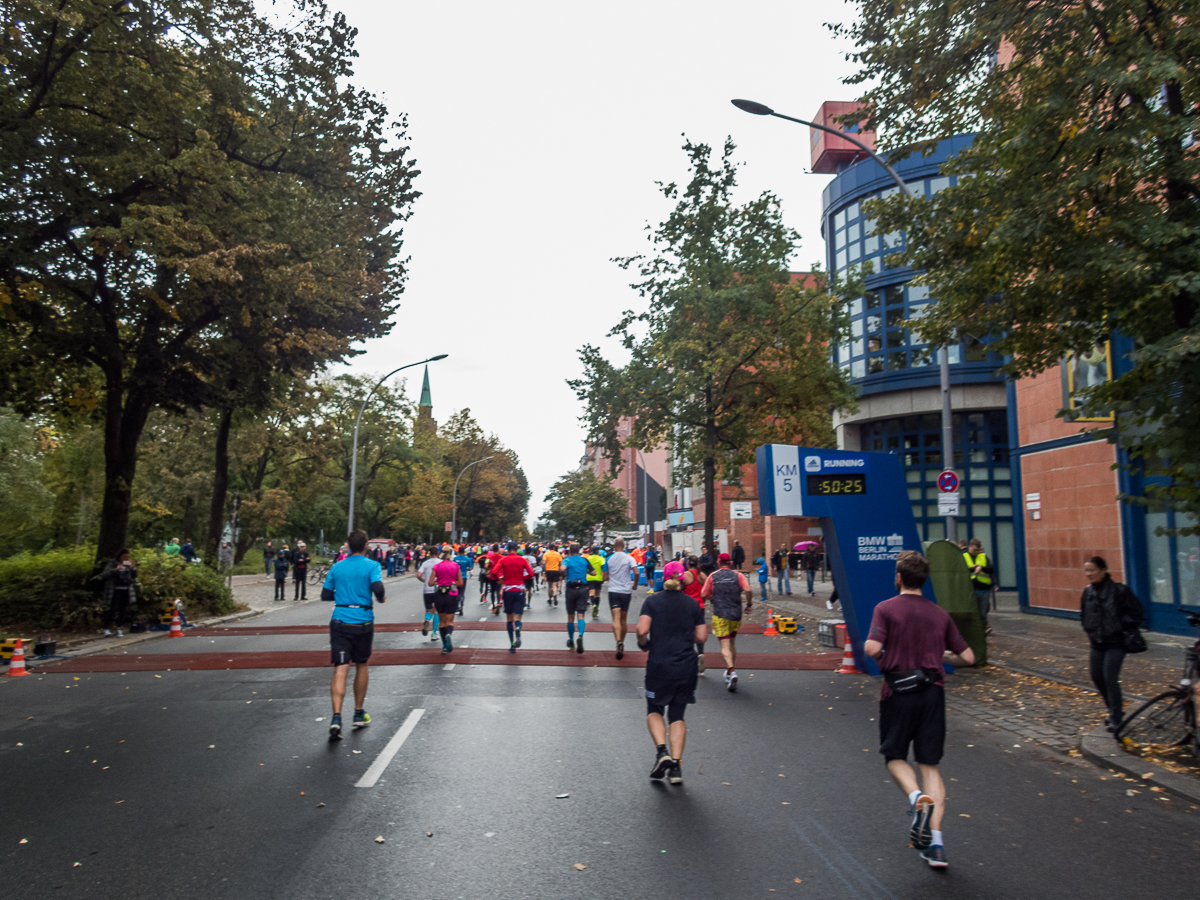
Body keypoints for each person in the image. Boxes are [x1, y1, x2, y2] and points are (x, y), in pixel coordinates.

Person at [864, 550, 975, 869]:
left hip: (898, 692)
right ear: (924, 581)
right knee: (930, 766)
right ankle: (936, 846)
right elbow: (967, 658)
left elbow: (872, 648)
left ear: (898, 577)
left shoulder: (885, 608)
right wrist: (939, 659)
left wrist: (888, 665)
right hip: (932, 694)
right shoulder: (940, 614)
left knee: (895, 757)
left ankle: (916, 800)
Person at [637, 565, 707, 785]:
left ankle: (661, 751)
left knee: (654, 708)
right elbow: (702, 636)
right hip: (686, 666)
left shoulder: (652, 602)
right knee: (678, 714)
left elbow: (641, 630)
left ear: (663, 579)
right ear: (682, 580)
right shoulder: (693, 604)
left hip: (659, 664)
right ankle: (676, 766)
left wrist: (644, 643)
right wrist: (686, 637)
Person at [322, 529, 385, 739]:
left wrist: (342, 591)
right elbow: (377, 588)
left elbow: (325, 594)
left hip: (340, 620)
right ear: (366, 545)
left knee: (340, 668)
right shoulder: (372, 566)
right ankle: (358, 712)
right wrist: (381, 597)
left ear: (348, 546)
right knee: (361, 664)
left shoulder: (337, 566)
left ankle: (336, 718)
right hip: (363, 620)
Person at [1080, 556, 1144, 733]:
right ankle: (1114, 710)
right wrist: (1089, 628)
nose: (1089, 574)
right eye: (1086, 570)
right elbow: (1084, 613)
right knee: (1097, 677)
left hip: (1116, 642)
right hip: (1097, 642)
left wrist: (1119, 626)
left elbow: (1137, 613)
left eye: (1092, 570)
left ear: (1103, 570)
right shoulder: (1088, 592)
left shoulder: (1119, 591)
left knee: (1109, 678)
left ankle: (1116, 717)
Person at [701, 553, 751, 691]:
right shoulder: (738, 576)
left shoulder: (713, 576)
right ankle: (730, 673)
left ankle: (731, 670)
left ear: (718, 562)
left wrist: (713, 596)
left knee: (724, 645)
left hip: (720, 614)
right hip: (736, 614)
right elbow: (748, 589)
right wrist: (749, 604)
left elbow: (704, 594)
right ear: (730, 563)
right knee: (732, 643)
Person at [490, 542, 535, 652]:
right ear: (517, 549)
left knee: (509, 619)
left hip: (507, 590)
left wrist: (500, 578)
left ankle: (512, 644)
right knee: (517, 617)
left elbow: (494, 571)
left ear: (508, 549)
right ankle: (518, 628)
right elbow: (531, 573)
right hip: (519, 590)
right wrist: (523, 577)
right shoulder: (522, 560)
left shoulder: (503, 560)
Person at [604, 538, 639, 660]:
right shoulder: (629, 558)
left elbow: (605, 577)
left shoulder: (609, 559)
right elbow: (637, 572)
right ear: (624, 545)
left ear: (614, 546)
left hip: (613, 591)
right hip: (626, 591)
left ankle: (618, 641)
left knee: (616, 619)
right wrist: (634, 584)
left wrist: (612, 577)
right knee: (624, 619)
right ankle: (622, 642)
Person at [560, 542, 597, 653]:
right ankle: (580, 635)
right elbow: (594, 572)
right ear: (579, 550)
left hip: (571, 589)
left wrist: (564, 574)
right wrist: (586, 571)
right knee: (581, 614)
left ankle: (571, 640)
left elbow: (562, 569)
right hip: (582, 589)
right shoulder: (584, 560)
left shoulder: (567, 560)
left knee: (571, 616)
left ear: (570, 551)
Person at [427, 550, 465, 654]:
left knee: (442, 621)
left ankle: (444, 646)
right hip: (451, 595)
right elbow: (461, 583)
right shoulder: (455, 566)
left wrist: (438, 581)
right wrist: (453, 582)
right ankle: (449, 634)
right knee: (449, 621)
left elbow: (430, 583)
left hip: (439, 594)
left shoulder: (437, 566)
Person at [99, 550, 137, 637]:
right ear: (119, 556)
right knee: (112, 609)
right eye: (123, 557)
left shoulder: (127, 566)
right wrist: (116, 569)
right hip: (115, 590)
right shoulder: (113, 564)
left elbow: (134, 576)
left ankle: (119, 628)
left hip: (125, 590)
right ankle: (105, 628)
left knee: (123, 610)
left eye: (127, 557)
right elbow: (105, 575)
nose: (125, 559)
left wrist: (133, 568)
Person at [680, 556, 708, 674]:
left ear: (687, 564)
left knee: (687, 632)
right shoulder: (703, 576)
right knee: (700, 633)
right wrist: (702, 601)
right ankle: (700, 654)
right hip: (700, 607)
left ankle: (690, 657)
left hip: (687, 607)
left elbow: (679, 589)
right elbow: (706, 593)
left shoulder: (685, 575)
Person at [963, 539, 995, 635]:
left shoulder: (983, 556)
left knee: (983, 611)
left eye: (978, 550)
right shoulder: (964, 556)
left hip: (984, 588)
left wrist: (982, 568)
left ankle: (983, 630)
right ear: (970, 547)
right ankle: (979, 630)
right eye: (975, 550)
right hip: (971, 589)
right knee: (975, 612)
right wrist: (972, 569)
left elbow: (991, 569)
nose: (977, 552)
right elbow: (961, 571)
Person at [417, 551, 440, 642]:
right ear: (437, 553)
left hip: (427, 590)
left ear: (430, 554)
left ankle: (427, 619)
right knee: (436, 611)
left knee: (428, 609)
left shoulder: (425, 563)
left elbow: (418, 574)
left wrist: (424, 580)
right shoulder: (440, 562)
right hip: (437, 589)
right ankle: (434, 633)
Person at [586, 546, 605, 618]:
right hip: (598, 578)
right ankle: (596, 607)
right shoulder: (601, 559)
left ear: (591, 551)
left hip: (590, 578)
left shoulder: (588, 559)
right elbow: (603, 567)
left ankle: (593, 604)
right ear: (598, 551)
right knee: (597, 594)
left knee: (591, 593)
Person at [453, 547, 473, 614]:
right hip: (463, 577)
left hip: (456, 577)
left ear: (458, 551)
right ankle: (461, 605)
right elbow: (470, 567)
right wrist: (466, 569)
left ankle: (456, 606)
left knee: (456, 591)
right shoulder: (467, 559)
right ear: (464, 552)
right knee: (462, 592)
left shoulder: (455, 559)